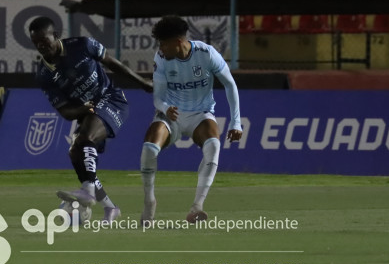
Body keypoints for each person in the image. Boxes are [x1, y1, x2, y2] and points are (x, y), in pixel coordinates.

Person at [28, 16, 153, 222]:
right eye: (36, 43)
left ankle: (87, 192)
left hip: (111, 100)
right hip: (87, 111)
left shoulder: (82, 45)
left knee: (85, 138)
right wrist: (81, 109)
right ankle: (110, 208)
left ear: (56, 36)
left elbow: (113, 63)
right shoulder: (44, 75)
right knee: (75, 153)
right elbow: (65, 112)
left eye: (44, 40)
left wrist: (142, 82)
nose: (41, 46)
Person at [140, 15, 243, 227]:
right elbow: (158, 97)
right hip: (171, 116)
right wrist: (166, 108)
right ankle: (149, 201)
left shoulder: (207, 54)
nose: (161, 49)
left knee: (213, 145)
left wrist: (236, 122)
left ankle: (197, 207)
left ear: (178, 43)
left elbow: (230, 85)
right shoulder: (161, 58)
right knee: (150, 147)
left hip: (200, 114)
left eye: (163, 44)